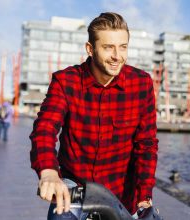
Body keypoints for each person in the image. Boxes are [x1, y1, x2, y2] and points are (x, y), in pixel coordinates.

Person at [30, 12, 158, 219]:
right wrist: (49, 172)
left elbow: (146, 144)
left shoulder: (142, 83)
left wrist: (145, 197)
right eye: (109, 47)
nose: (118, 56)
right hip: (75, 186)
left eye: (123, 47)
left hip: (123, 193)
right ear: (90, 49)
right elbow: (44, 129)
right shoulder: (66, 81)